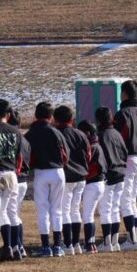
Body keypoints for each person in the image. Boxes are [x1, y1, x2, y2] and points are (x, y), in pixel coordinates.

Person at [25, 102, 67, 258]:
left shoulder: (31, 133)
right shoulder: (56, 132)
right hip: (58, 171)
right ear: (51, 117)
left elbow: (26, 154)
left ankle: (45, 247)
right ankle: (57, 246)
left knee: (43, 210)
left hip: (41, 172)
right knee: (57, 209)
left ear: (36, 115)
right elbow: (65, 155)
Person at [0, 99, 24, 263]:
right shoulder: (15, 131)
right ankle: (9, 246)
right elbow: (19, 156)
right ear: (8, 115)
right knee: (6, 212)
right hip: (12, 174)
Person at [114, 80, 137, 250]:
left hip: (128, 158)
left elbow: (119, 139)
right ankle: (134, 236)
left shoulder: (123, 113)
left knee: (125, 200)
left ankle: (132, 239)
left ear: (125, 94)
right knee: (132, 199)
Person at [55, 105, 89, 255]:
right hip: (81, 176)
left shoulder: (57, 134)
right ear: (71, 119)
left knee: (64, 211)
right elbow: (88, 154)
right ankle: (76, 244)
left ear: (55, 119)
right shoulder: (80, 134)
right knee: (75, 210)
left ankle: (68, 244)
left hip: (67, 176)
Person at [95, 107, 128, 252]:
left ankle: (107, 242)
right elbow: (125, 152)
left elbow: (101, 157)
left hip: (108, 176)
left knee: (105, 209)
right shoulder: (116, 133)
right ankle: (115, 242)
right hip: (121, 174)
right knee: (115, 209)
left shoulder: (101, 135)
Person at [79, 119, 108, 254]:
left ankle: (90, 244)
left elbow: (92, 168)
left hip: (93, 183)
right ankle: (91, 243)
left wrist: (82, 177)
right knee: (88, 214)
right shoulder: (97, 144)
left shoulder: (92, 146)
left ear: (87, 132)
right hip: (99, 183)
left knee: (88, 215)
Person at [11, 108, 31, 259]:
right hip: (23, 179)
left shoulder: (13, 137)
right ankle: (19, 245)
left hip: (15, 178)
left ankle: (16, 246)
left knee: (11, 214)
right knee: (15, 213)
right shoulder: (24, 139)